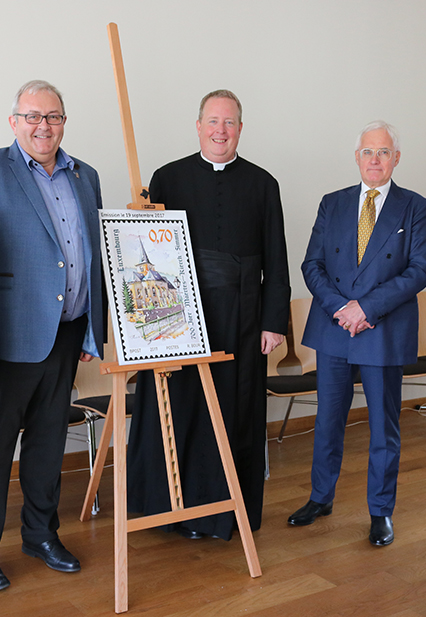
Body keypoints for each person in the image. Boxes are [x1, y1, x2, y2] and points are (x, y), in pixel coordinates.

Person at [0, 80, 104, 590]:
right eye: (34, 116)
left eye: (54, 116)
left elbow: (94, 257)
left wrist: (92, 329)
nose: (44, 126)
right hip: (8, 339)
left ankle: (41, 534)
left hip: (66, 335)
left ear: (64, 121)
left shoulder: (86, 175)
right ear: (14, 121)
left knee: (47, 443)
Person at [126, 89, 291, 538]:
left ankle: (224, 516)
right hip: (180, 318)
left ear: (241, 128)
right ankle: (172, 511)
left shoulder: (263, 183)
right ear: (198, 126)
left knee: (233, 414)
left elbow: (276, 257)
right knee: (179, 411)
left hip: (242, 319)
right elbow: (146, 250)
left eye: (230, 122)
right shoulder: (167, 177)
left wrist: (274, 321)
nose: (221, 131)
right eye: (213, 122)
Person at [288, 120, 426, 547]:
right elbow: (311, 265)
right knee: (328, 419)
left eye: (383, 152)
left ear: (396, 158)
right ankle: (320, 497)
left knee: (383, 426)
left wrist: (367, 309)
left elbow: (419, 270)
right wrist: (341, 309)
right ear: (357, 157)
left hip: (381, 330)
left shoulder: (415, 206)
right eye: (368, 151)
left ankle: (380, 511)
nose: (374, 159)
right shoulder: (332, 203)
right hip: (335, 328)